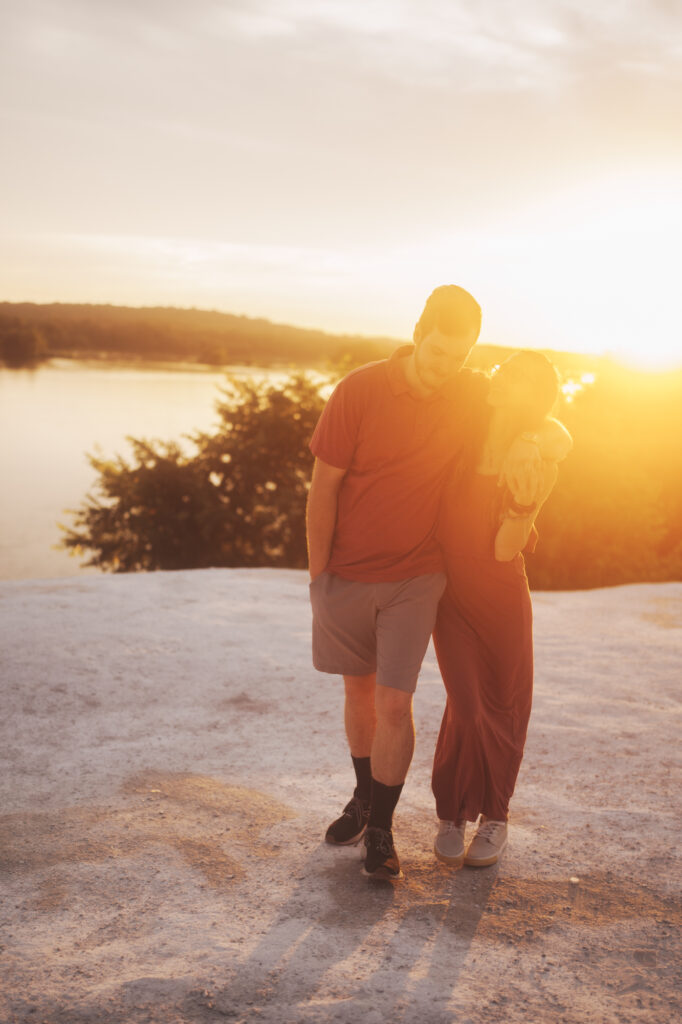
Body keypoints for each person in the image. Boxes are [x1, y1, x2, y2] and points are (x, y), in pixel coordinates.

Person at [306, 286, 564, 881]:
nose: (445, 367)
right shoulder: (360, 390)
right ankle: (366, 798)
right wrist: (319, 577)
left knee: (398, 704)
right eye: (438, 351)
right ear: (419, 334)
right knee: (361, 696)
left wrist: (535, 444)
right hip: (353, 574)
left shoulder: (470, 392)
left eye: (459, 356)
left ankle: (384, 829)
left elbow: (549, 421)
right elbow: (324, 486)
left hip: (420, 577)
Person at [431, 349, 570, 870]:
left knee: (506, 709)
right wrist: (537, 435)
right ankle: (451, 813)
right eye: (504, 369)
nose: (500, 376)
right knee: (466, 706)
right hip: (452, 599)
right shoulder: (466, 427)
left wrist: (521, 503)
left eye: (515, 377)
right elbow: (559, 430)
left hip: (502, 597)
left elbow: (504, 549)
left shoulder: (535, 463)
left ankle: (496, 817)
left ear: (532, 398)